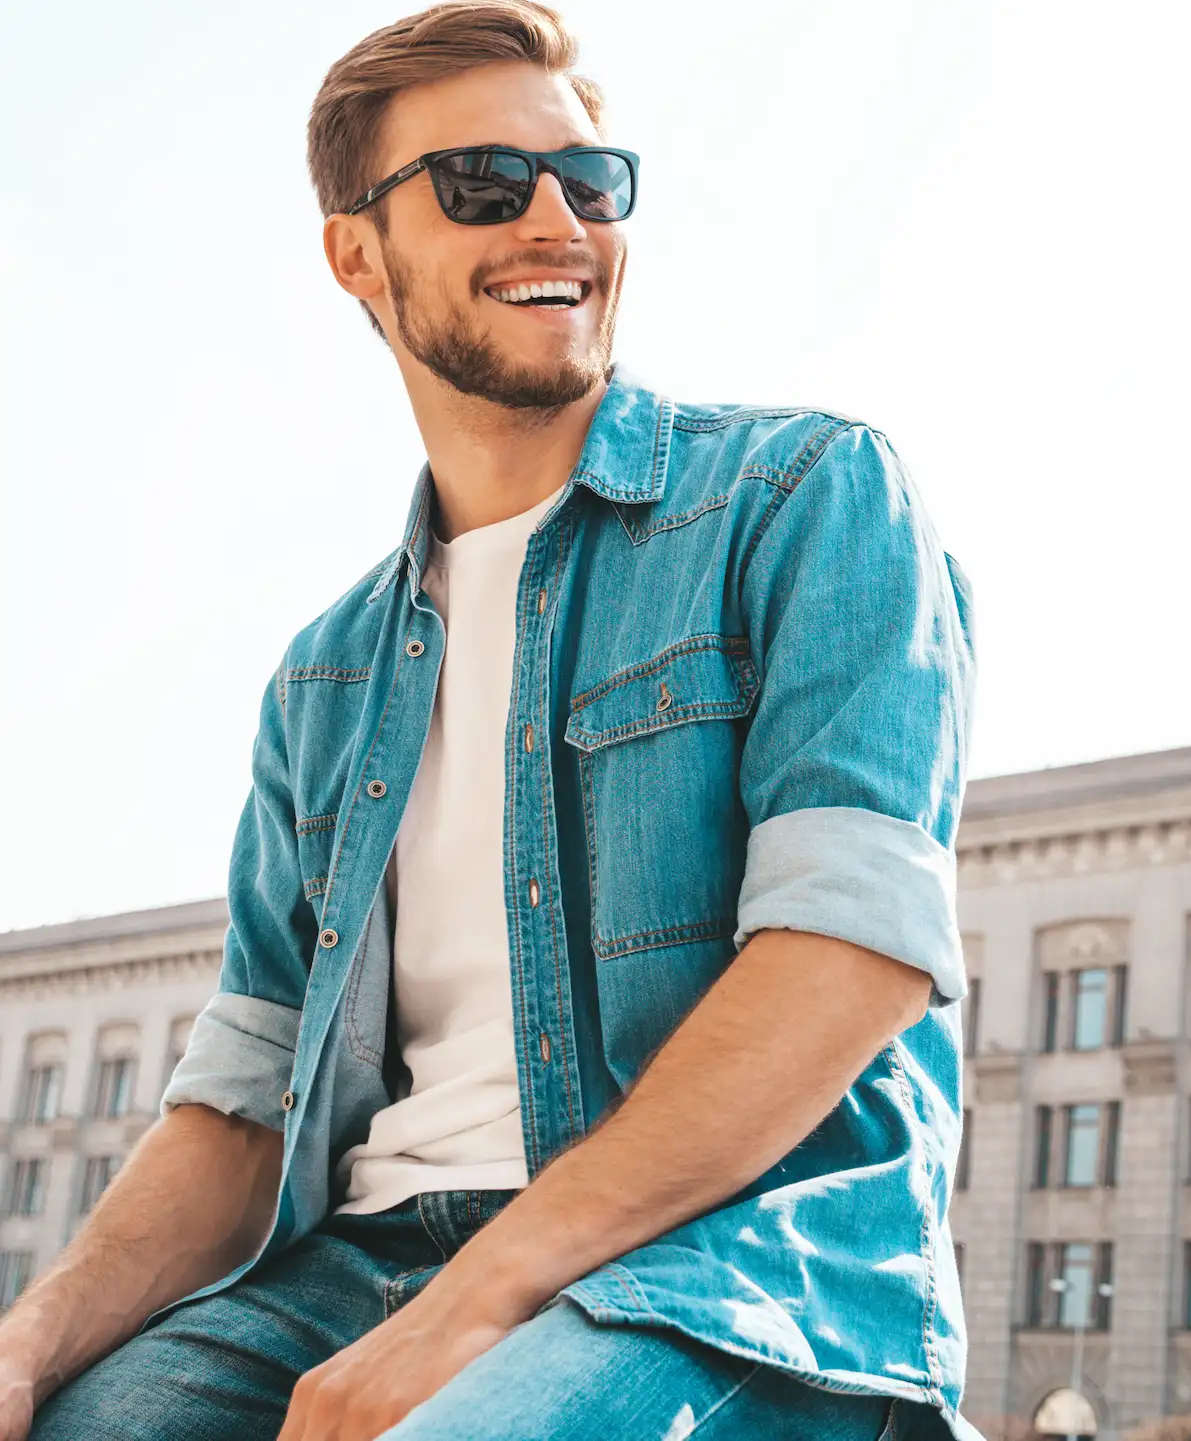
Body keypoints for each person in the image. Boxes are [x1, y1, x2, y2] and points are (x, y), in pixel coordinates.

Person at [0, 4, 976, 1438]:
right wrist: (31, 1342)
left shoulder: (807, 498)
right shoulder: (321, 680)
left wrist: (481, 1299)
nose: (553, 221)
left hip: (725, 1275)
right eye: (481, 184)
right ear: (357, 252)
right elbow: (243, 1099)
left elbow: (847, 961)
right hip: (351, 1270)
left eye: (590, 183)